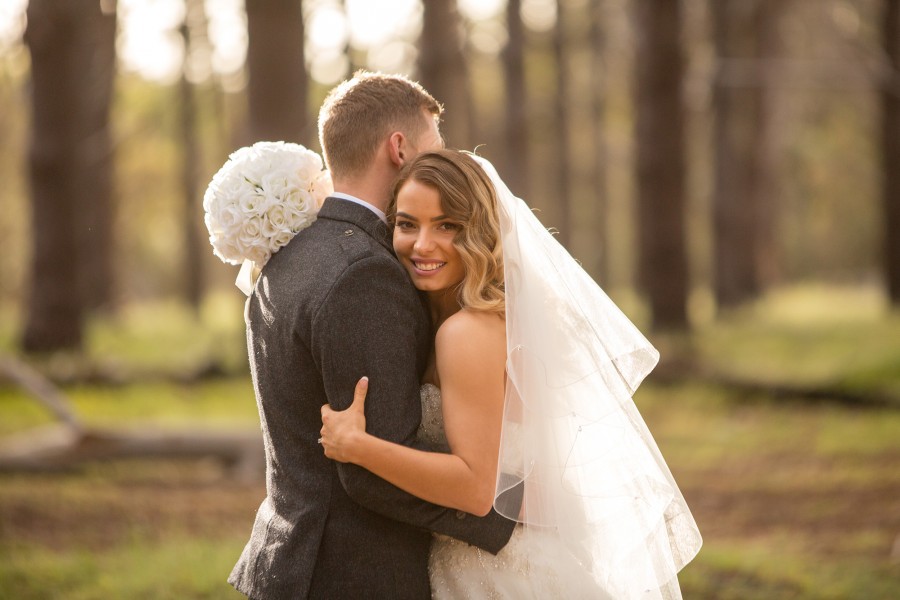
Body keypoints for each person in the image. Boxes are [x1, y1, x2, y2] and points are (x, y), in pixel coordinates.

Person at [319, 149, 703, 598]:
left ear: (479, 232)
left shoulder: (466, 332)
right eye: (407, 224)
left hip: (501, 571)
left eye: (447, 226)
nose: (422, 244)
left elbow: (476, 488)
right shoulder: (474, 319)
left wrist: (359, 447)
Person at [227, 73, 518, 600]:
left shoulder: (287, 253)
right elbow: (367, 470)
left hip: (291, 559)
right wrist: (509, 521)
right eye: (435, 144)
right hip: (354, 574)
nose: (443, 158)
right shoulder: (364, 272)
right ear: (399, 148)